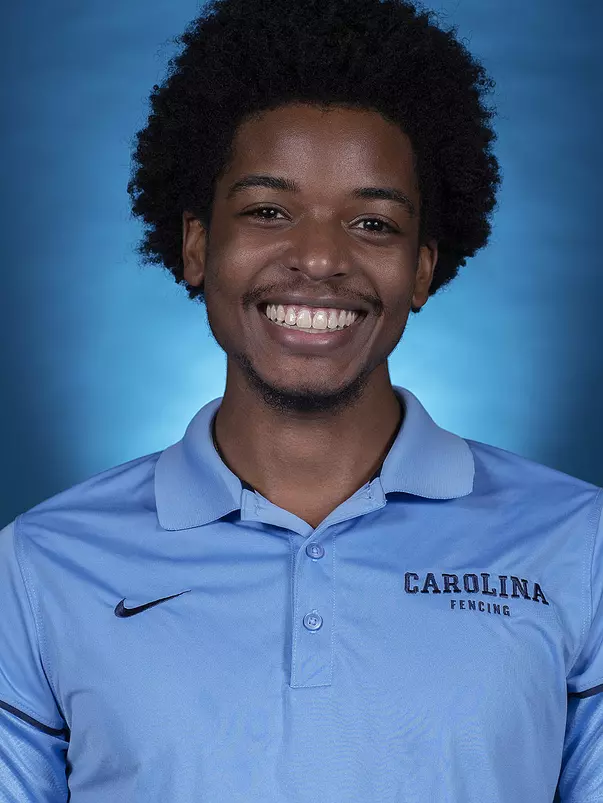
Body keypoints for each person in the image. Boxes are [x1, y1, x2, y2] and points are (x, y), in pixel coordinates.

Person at [0, 0, 601, 799]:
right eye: (268, 211)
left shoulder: (580, 545)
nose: (319, 257)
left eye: (372, 222)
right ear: (195, 245)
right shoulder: (38, 567)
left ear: (422, 269)